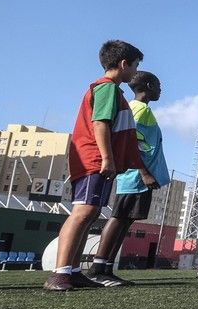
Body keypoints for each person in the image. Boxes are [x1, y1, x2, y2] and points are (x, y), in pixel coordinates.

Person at [45, 41, 154, 291]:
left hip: (99, 160)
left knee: (91, 213)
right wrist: (107, 158)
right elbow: (100, 123)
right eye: (135, 66)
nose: (135, 72)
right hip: (93, 159)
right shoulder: (106, 88)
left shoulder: (114, 91)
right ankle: (59, 273)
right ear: (124, 64)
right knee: (83, 212)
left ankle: (72, 270)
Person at [86, 71, 170, 288]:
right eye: (159, 85)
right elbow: (130, 142)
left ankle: (107, 268)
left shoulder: (143, 110)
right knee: (119, 217)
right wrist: (144, 172)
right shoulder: (138, 110)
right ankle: (97, 268)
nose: (161, 89)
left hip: (139, 176)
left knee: (126, 220)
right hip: (134, 176)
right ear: (149, 85)